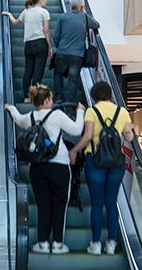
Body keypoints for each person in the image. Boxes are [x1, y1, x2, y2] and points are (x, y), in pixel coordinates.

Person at [7, 84, 85, 254]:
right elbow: (77, 129)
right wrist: (80, 111)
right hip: (59, 166)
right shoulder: (57, 115)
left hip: (37, 167)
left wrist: (10, 107)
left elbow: (18, 119)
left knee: (43, 205)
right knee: (59, 205)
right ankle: (57, 243)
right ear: (48, 99)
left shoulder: (30, 116)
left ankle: (42, 242)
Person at [71, 79, 135, 255]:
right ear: (109, 95)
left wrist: (74, 151)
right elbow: (129, 137)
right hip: (116, 163)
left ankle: (96, 244)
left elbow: (87, 136)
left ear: (94, 95)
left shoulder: (92, 111)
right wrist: (127, 127)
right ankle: (112, 244)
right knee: (111, 203)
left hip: (95, 161)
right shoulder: (122, 112)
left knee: (97, 204)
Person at [49, 0, 99, 109]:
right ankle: (70, 102)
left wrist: (58, 47)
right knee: (73, 79)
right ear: (81, 7)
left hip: (62, 53)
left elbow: (55, 36)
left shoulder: (62, 17)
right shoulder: (85, 18)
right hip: (77, 56)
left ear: (71, 6)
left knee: (58, 74)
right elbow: (97, 25)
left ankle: (58, 97)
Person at [4, 0, 51, 93]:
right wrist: (50, 47)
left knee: (28, 71)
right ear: (39, 0)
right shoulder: (44, 12)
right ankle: (34, 95)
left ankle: (26, 96)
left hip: (28, 44)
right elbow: (46, 31)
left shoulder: (26, 11)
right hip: (40, 43)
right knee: (38, 71)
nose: (47, 1)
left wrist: (9, 14)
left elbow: (15, 22)